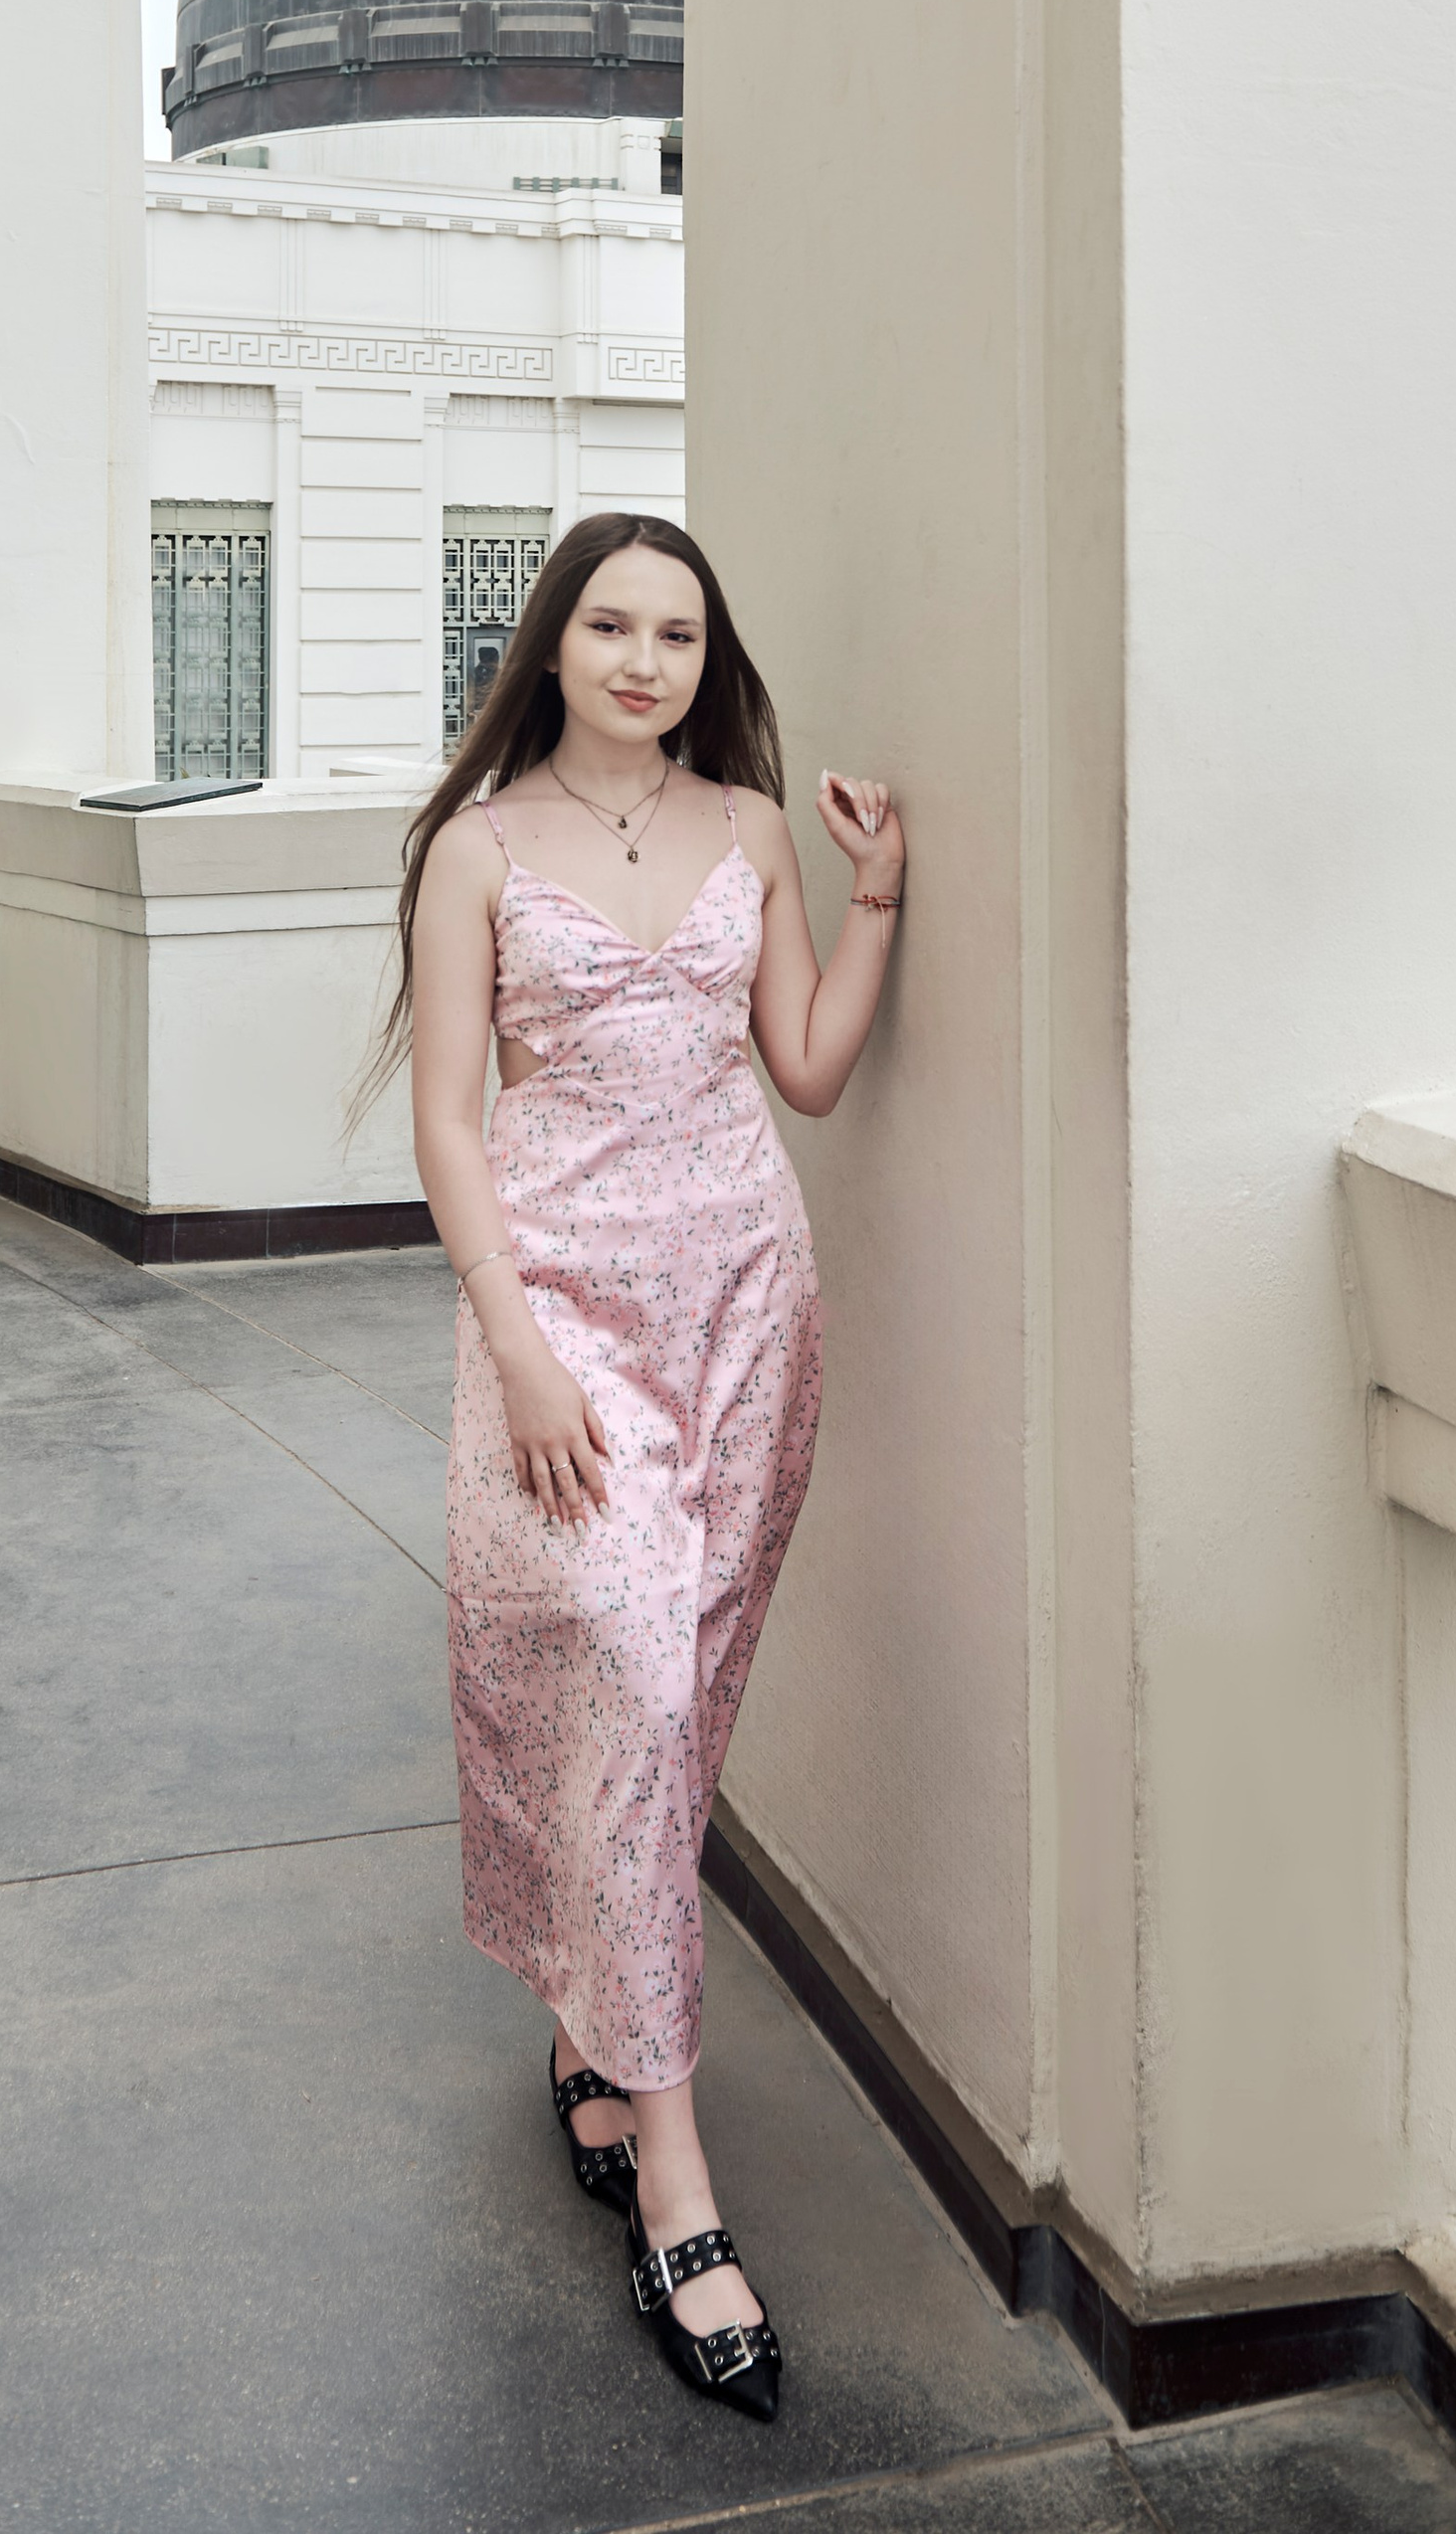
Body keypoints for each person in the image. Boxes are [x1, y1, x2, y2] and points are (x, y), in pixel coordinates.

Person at [383, 510, 904, 2419]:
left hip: (749, 1307)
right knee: (610, 1653)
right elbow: (450, 1120)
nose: (644, 657)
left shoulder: (753, 828)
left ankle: (601, 2048)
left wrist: (883, 894)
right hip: (571, 1328)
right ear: (553, 641)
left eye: (678, 632)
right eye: (610, 622)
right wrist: (517, 1345)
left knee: (675, 1700)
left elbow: (812, 1065)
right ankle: (676, 2193)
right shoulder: (479, 847)